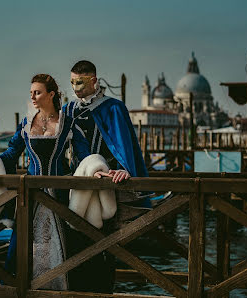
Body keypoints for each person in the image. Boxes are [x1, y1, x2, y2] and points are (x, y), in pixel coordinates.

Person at [0, 74, 113, 290]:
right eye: (31, 93)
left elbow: (83, 156)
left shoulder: (67, 123)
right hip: (30, 198)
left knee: (70, 248)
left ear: (51, 94)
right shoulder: (26, 124)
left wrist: (95, 170)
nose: (33, 97)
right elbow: (11, 154)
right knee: (22, 248)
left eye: (38, 92)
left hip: (59, 198)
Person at [63, 60, 149, 293]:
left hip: (108, 185)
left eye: (79, 82)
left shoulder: (113, 107)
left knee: (107, 244)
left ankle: (102, 292)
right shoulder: (68, 110)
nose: (75, 87)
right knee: (77, 241)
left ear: (93, 81)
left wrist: (125, 169)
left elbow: (124, 144)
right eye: (72, 82)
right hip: (78, 182)